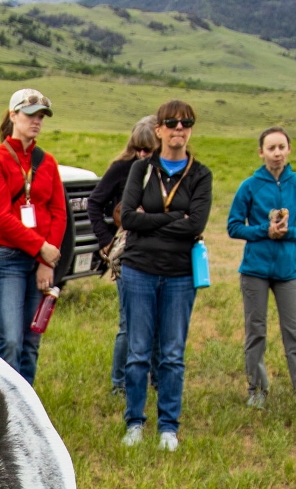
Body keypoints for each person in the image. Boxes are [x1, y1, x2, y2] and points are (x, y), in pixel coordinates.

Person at [116, 100, 212, 452]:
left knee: (172, 354)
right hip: (139, 270)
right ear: (158, 130)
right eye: (171, 123)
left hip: (179, 275)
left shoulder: (200, 175)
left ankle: (168, 426)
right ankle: (135, 422)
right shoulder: (140, 170)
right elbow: (128, 218)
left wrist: (152, 220)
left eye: (186, 123)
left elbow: (197, 224)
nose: (178, 129)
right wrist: (177, 220)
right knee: (138, 352)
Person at [0, 88, 68, 383]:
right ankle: (5, 406)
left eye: (41, 116)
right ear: (14, 115)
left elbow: (58, 212)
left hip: (40, 259)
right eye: (30, 115)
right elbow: (1, 217)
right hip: (8, 258)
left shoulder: (48, 162)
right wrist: (41, 247)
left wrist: (47, 259)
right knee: (12, 340)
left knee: (31, 340)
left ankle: (27, 408)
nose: (36, 121)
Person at [226, 126, 296, 409]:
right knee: (256, 331)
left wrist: (289, 233)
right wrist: (264, 231)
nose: (276, 153)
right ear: (261, 152)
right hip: (255, 270)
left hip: (288, 271)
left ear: (289, 149)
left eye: (281, 147)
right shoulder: (250, 186)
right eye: (271, 148)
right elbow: (233, 226)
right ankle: (257, 390)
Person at [89, 116, 158, 397]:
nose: (143, 155)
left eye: (149, 150)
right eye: (138, 149)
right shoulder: (121, 169)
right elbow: (95, 202)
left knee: (157, 321)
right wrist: (105, 240)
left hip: (160, 252)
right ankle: (119, 382)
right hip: (128, 252)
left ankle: (154, 379)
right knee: (129, 322)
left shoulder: (168, 171)